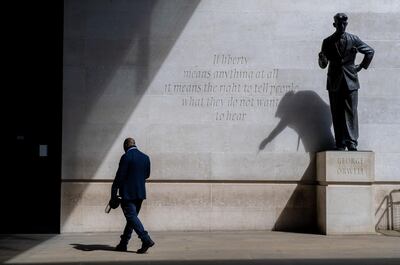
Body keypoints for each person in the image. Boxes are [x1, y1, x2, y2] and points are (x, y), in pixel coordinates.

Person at [318, 13, 374, 151]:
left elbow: (370, 52)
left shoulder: (353, 39)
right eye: (339, 24)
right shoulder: (327, 41)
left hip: (351, 80)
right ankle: (340, 143)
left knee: (351, 112)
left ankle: (352, 142)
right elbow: (323, 65)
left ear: (346, 24)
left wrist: (360, 67)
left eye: (344, 24)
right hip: (334, 81)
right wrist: (322, 58)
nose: (342, 26)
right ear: (334, 25)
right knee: (336, 112)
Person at [110, 137, 155, 253]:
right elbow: (147, 175)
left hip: (127, 194)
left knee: (131, 217)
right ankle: (123, 244)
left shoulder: (126, 157)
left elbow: (119, 177)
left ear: (125, 145)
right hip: (140, 193)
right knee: (132, 219)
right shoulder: (145, 157)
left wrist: (113, 194)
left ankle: (146, 239)